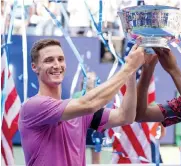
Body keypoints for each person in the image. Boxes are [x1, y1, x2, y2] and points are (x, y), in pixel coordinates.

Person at [18, 38, 145, 166]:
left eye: (60, 59)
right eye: (49, 60)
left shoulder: (77, 112)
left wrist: (132, 73)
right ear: (35, 67)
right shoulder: (33, 106)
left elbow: (125, 116)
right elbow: (90, 104)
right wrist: (128, 67)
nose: (57, 65)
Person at [72, 71, 101, 164]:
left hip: (96, 130)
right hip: (81, 130)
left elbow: (103, 111)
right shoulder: (77, 95)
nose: (88, 80)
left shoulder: (100, 94)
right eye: (87, 78)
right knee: (79, 158)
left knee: (96, 159)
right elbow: (74, 111)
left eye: (90, 78)